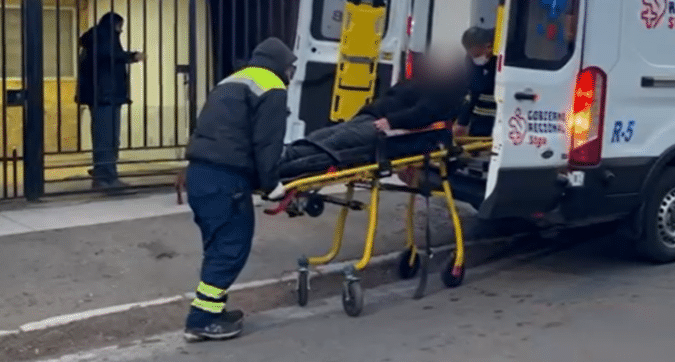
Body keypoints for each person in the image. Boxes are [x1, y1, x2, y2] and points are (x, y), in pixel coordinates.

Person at [181, 37, 296, 342]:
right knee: (231, 248)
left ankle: (213, 310)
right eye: (291, 67)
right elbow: (267, 141)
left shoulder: (230, 81)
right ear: (282, 65)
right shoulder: (271, 85)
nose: (291, 72)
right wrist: (272, 185)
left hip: (200, 174)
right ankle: (202, 319)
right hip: (226, 180)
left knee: (217, 247)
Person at [279, 52, 468, 169]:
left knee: (334, 142)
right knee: (321, 135)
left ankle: (282, 162)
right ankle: (281, 156)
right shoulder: (425, 83)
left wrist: (392, 122)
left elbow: (422, 113)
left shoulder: (444, 92)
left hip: (387, 129)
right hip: (373, 118)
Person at [76, 12, 144, 192]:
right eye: (120, 26)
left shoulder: (96, 39)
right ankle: (106, 176)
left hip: (104, 96)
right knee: (107, 139)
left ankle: (104, 173)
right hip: (105, 96)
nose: (121, 31)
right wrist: (132, 56)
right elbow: (111, 55)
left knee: (107, 138)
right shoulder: (103, 38)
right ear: (114, 24)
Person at [454, 27, 497, 138]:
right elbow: (473, 88)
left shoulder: (504, 52)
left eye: (478, 55)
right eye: (474, 55)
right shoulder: (471, 60)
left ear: (489, 45)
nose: (477, 59)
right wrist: (462, 122)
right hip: (481, 115)